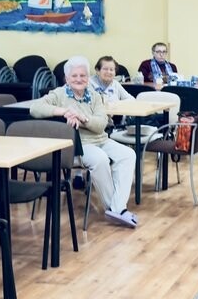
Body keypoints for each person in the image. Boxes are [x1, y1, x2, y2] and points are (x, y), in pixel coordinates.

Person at [30, 55, 138, 228]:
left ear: (88, 77)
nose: (79, 79)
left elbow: (101, 125)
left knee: (128, 154)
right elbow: (35, 108)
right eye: (74, 76)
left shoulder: (94, 96)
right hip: (78, 145)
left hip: (101, 139)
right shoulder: (59, 94)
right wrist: (63, 111)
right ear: (67, 78)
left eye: (83, 75)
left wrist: (82, 118)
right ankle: (115, 209)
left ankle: (117, 208)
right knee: (100, 159)